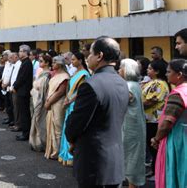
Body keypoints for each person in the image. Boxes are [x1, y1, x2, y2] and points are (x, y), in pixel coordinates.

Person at [65, 36, 129, 188]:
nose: (88, 58)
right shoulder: (121, 82)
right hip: (114, 159)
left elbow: (77, 122)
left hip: (94, 161)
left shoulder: (91, 85)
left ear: (99, 56)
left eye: (90, 54)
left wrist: (72, 139)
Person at [152, 59, 187, 188]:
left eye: (168, 72)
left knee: (175, 173)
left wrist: (156, 139)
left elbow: (167, 123)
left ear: (179, 75)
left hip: (178, 140)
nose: (166, 74)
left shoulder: (177, 94)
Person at [118, 58, 146, 188]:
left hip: (130, 127)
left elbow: (118, 104)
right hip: (134, 125)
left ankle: (131, 184)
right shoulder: (135, 85)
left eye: (121, 68)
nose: (118, 70)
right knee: (132, 155)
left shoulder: (128, 86)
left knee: (130, 155)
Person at [59, 52, 90, 166]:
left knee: (72, 127)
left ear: (80, 60)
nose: (72, 62)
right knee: (67, 126)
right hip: (70, 102)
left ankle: (71, 155)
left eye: (74, 60)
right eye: (71, 60)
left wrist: (69, 100)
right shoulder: (75, 72)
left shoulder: (84, 74)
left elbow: (81, 91)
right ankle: (65, 154)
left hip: (75, 104)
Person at [142, 59, 169, 181]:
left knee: (154, 148)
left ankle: (157, 172)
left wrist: (136, 105)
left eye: (150, 68)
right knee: (152, 148)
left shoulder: (158, 84)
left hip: (154, 120)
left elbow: (151, 100)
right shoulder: (152, 82)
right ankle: (154, 170)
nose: (147, 70)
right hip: (149, 120)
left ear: (157, 71)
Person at [44, 56, 70, 160]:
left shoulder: (64, 76)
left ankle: (58, 151)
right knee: (51, 125)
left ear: (59, 64)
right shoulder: (55, 75)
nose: (52, 64)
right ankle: (52, 149)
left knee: (58, 126)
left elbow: (60, 92)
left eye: (54, 62)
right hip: (51, 103)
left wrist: (49, 102)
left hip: (58, 103)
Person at [29, 54, 52, 152]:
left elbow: (43, 88)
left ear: (47, 63)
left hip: (41, 100)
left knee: (39, 121)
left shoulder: (48, 74)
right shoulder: (41, 72)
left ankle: (41, 143)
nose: (39, 62)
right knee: (35, 120)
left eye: (41, 61)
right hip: (35, 99)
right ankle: (34, 142)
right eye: (39, 61)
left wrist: (36, 87)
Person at [12, 44, 33, 141]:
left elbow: (22, 77)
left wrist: (15, 86)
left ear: (25, 52)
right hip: (21, 91)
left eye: (20, 51)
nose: (19, 53)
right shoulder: (24, 62)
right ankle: (24, 131)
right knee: (22, 112)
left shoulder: (27, 63)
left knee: (24, 113)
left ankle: (26, 133)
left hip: (23, 91)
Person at [1, 51, 15, 125]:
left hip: (9, 86)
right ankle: (9, 117)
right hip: (4, 85)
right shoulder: (7, 64)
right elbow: (5, 74)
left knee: (11, 104)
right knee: (7, 103)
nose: (3, 57)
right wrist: (3, 82)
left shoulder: (13, 65)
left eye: (4, 56)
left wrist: (6, 84)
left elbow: (11, 76)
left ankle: (12, 119)